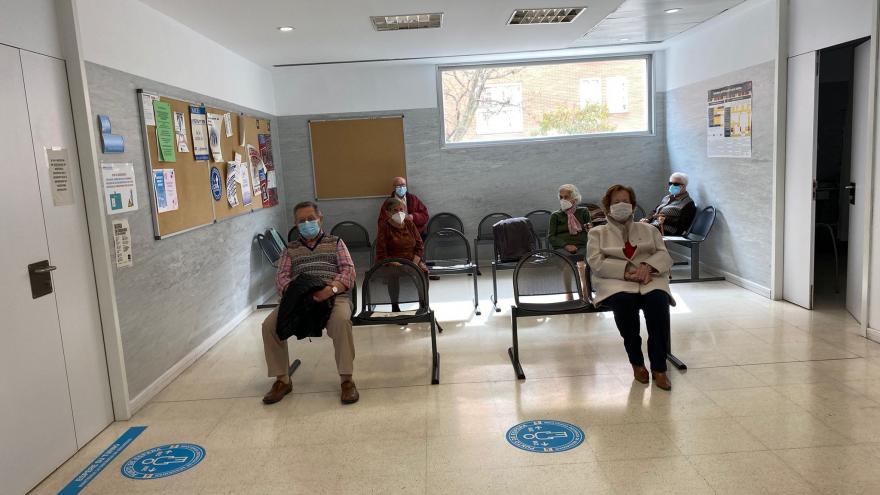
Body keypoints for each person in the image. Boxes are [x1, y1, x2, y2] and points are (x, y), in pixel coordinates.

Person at [261, 201, 359, 405]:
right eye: (301, 221)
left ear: (320, 219)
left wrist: (330, 290)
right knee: (269, 326)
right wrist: (300, 293)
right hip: (298, 299)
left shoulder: (336, 242)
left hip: (332, 295)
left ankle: (346, 380)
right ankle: (282, 379)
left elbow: (349, 272)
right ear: (296, 225)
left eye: (310, 219)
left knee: (341, 322)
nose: (307, 223)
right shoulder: (290, 249)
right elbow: (281, 279)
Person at [587, 185, 675, 390]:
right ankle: (637, 363)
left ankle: (659, 368)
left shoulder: (649, 229)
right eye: (615, 202)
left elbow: (664, 255)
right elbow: (596, 262)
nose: (621, 205)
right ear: (607, 207)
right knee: (624, 305)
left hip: (650, 279)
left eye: (625, 201)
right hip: (615, 281)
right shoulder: (597, 233)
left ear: (633, 205)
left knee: (658, 305)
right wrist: (625, 271)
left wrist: (648, 266)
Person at [375, 197, 428, 311]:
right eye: (395, 210)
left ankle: (423, 304)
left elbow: (419, 245)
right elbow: (381, 254)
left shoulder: (409, 223)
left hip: (412, 260)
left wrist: (413, 263)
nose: (399, 213)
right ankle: (395, 306)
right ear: (388, 213)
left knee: (423, 271)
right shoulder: (384, 227)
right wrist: (399, 264)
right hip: (393, 262)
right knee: (393, 275)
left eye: (401, 209)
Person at [548, 184, 591, 295]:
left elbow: (590, 232)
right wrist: (566, 245)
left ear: (574, 198)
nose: (563, 200)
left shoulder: (583, 212)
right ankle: (569, 293)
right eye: (561, 197)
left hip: (582, 246)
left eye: (566, 197)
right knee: (567, 264)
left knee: (582, 264)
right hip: (563, 248)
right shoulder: (555, 215)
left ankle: (585, 292)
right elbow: (551, 237)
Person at [640, 172, 696, 236]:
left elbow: (684, 224)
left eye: (675, 184)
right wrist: (647, 219)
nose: (672, 186)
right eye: (670, 183)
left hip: (667, 231)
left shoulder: (688, 203)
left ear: (684, 186)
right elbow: (655, 211)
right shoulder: (667, 198)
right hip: (653, 226)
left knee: (637, 231)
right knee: (633, 227)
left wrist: (665, 219)